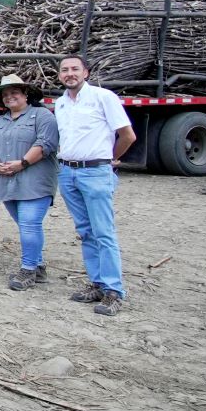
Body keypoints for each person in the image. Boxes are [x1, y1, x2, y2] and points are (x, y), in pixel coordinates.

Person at [54, 55, 136, 316]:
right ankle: (98, 283)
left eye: (75, 69)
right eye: (64, 70)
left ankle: (114, 290)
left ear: (86, 72)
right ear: (59, 76)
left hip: (95, 171)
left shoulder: (104, 97)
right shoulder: (60, 104)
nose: (70, 74)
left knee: (104, 232)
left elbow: (127, 135)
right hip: (68, 172)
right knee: (86, 231)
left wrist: (110, 159)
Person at [0, 74, 59, 291]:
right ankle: (39, 264)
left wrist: (22, 163)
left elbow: (46, 143)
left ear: (26, 94)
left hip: (35, 181)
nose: (9, 97)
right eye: (5, 94)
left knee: (29, 223)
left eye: (14, 92)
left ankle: (28, 269)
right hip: (5, 182)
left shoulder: (42, 116)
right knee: (26, 225)